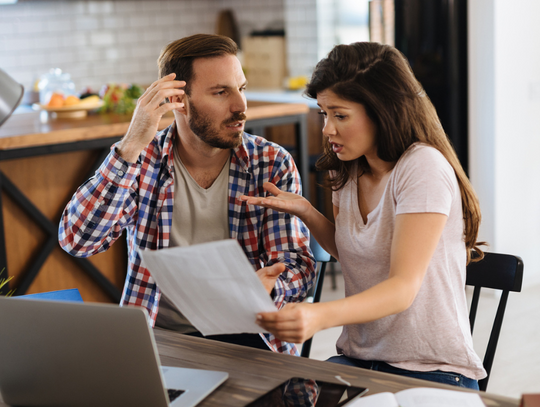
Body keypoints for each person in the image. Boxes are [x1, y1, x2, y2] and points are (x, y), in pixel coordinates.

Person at [242, 42, 487, 388]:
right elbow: (358, 254)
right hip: (360, 361)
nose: (327, 130)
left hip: (433, 371)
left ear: (382, 110)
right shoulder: (349, 170)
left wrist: (319, 314)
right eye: (323, 114)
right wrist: (306, 211)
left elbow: (403, 288)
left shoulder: (422, 168)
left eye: (340, 115)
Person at [59, 33, 315, 356]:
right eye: (221, 92)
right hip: (159, 340)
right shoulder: (142, 161)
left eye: (242, 88)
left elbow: (298, 269)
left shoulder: (271, 163)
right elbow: (77, 240)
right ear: (178, 100)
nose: (241, 106)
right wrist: (129, 146)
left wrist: (272, 286)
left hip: (253, 339)